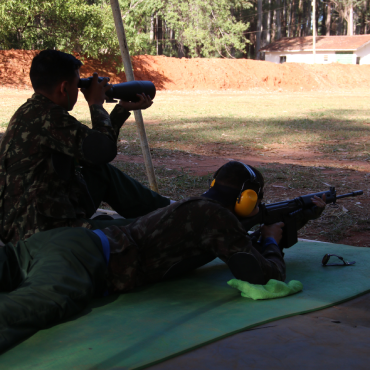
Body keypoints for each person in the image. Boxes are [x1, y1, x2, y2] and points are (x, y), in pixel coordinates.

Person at [0, 161, 326, 352]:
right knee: (32, 308)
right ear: (245, 198)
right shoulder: (217, 219)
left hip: (65, 241)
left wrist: (295, 218)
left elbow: (231, 236)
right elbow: (259, 275)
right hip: (86, 261)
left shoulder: (198, 208)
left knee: (8, 265)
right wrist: (271, 241)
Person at [0, 49, 171, 245]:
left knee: (100, 172)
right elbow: (102, 150)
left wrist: (122, 109)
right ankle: (171, 215)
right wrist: (96, 105)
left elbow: (93, 152)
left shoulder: (32, 111)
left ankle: (168, 208)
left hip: (30, 219)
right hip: (40, 233)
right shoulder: (49, 118)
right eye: (77, 84)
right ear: (64, 88)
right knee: (139, 230)